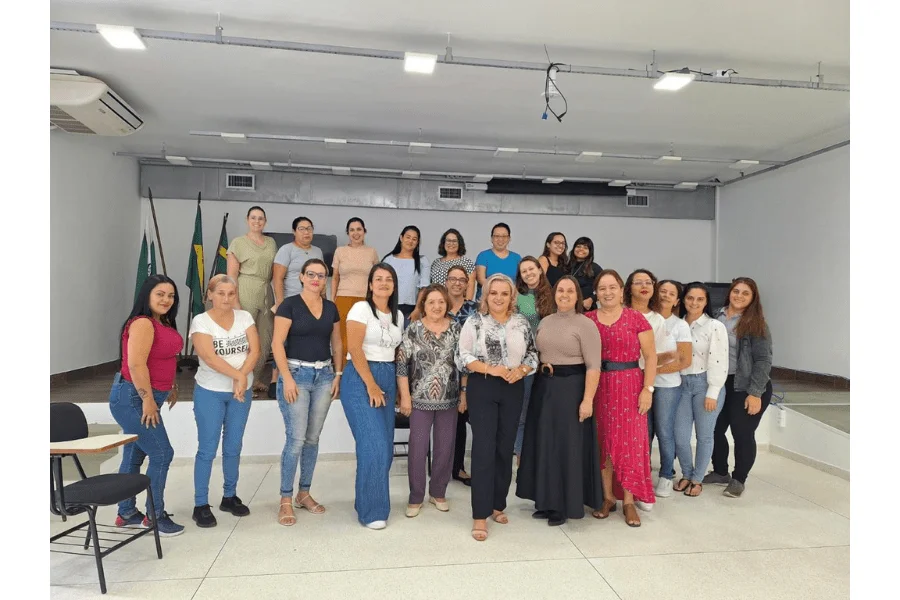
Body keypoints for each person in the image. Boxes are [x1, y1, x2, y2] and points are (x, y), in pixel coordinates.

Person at [456, 274, 538, 541]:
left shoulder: (521, 323)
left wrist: (523, 369)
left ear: (511, 296)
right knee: (483, 449)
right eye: (494, 293)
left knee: (505, 448)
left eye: (504, 293)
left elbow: (533, 353)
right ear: (486, 296)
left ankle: (496, 504)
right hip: (484, 385)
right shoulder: (475, 322)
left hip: (513, 387)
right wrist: (491, 369)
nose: (499, 298)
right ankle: (479, 515)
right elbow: (463, 356)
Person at [516, 276, 603, 526]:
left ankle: (563, 504)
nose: (564, 294)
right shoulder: (545, 321)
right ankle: (544, 500)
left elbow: (593, 366)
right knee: (543, 443)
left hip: (571, 388)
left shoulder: (585, 325)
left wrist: (587, 400)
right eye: (560, 290)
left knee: (565, 447)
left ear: (577, 296)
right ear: (554, 294)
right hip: (544, 387)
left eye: (569, 291)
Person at [108, 275, 184, 536]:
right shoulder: (142, 323)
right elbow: (136, 364)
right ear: (147, 296)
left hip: (147, 396)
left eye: (171, 295)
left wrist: (169, 385)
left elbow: (160, 358)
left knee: (135, 453)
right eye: (160, 294)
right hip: (133, 398)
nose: (166, 299)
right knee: (163, 453)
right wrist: (148, 400)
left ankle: (126, 512)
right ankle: (155, 515)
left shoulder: (160, 322)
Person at [272, 258, 342, 526]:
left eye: (321, 275)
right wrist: (286, 378)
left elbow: (336, 342)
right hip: (296, 376)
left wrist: (338, 374)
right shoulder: (289, 306)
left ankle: (304, 493)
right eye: (311, 274)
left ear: (326, 280)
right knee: (296, 439)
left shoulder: (331, 308)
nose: (316, 279)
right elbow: (277, 344)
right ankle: (285, 498)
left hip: (324, 376)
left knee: (312, 438)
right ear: (301, 277)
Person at [586, 269, 657, 528]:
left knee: (631, 446)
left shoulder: (636, 318)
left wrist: (647, 390)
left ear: (621, 290)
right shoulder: (588, 320)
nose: (607, 292)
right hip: (599, 387)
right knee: (602, 443)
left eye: (612, 287)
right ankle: (607, 498)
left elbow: (650, 357)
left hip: (630, 386)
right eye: (602, 288)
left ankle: (628, 500)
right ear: (596, 292)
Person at [189, 275, 260, 527]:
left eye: (231, 293)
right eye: (220, 293)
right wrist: (239, 376)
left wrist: (241, 380)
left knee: (233, 446)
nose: (226, 298)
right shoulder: (201, 321)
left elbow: (255, 350)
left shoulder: (245, 317)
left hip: (241, 392)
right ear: (210, 295)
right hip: (210, 391)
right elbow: (209, 357)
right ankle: (200, 503)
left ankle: (229, 496)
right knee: (207, 449)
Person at [340, 264, 404, 529]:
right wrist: (371, 385)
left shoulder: (399, 315)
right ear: (369, 284)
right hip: (361, 377)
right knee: (374, 445)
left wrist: (398, 389)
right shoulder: (360, 309)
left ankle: (364, 499)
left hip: (388, 376)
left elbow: (398, 353)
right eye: (378, 279)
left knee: (383, 448)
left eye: (388, 279)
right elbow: (354, 348)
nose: (383, 283)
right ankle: (373, 511)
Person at [397, 284, 464, 517]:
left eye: (441, 302)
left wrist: (464, 394)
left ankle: (438, 493)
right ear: (423, 305)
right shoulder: (413, 329)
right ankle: (415, 497)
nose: (436, 306)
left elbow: (464, 364)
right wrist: (405, 397)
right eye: (431, 302)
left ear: (447, 304)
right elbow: (401, 364)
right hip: (418, 400)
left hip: (449, 399)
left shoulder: (456, 328)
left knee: (445, 448)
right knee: (417, 448)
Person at [704, 277, 773, 499]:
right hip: (719, 383)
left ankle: (738, 479)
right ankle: (721, 472)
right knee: (713, 429)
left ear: (753, 298)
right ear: (729, 292)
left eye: (746, 293)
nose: (739, 296)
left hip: (746, 385)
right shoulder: (715, 316)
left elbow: (763, 360)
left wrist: (755, 393)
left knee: (742, 433)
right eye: (736, 291)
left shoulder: (756, 324)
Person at [674, 282, 728, 498]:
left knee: (704, 436)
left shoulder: (715, 326)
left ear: (706, 302)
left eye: (700, 299)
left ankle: (697, 479)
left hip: (706, 383)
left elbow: (720, 359)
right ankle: (686, 473)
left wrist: (713, 391)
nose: (694, 303)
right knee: (680, 435)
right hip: (681, 385)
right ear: (683, 299)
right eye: (690, 298)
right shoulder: (677, 324)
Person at [270, 217, 325, 397]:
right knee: (282, 341)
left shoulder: (317, 251)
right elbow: (277, 278)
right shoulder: (286, 250)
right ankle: (275, 378)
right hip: (290, 303)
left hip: (314, 303)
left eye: (309, 228)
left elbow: (320, 278)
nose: (306, 232)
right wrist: (280, 303)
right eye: (302, 229)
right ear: (294, 232)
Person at [623, 268, 671, 473]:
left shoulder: (657, 320)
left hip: (643, 381)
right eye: (638, 282)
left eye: (648, 282)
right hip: (617, 378)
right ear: (629, 288)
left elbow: (661, 354)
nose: (644, 286)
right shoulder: (618, 313)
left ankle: (641, 477)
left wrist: (646, 379)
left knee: (643, 432)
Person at [227, 206, 277, 397]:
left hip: (266, 291)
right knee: (246, 339)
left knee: (265, 338)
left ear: (265, 221)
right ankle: (242, 382)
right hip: (245, 288)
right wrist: (235, 302)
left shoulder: (271, 242)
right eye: (253, 218)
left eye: (261, 218)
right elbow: (232, 275)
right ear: (247, 220)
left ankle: (254, 378)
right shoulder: (238, 243)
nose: (257, 221)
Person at [650, 280, 693, 498]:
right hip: (643, 385)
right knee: (644, 432)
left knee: (664, 431)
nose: (666, 295)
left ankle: (666, 474)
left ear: (677, 300)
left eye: (671, 293)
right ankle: (642, 474)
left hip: (667, 387)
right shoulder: (645, 319)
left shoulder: (680, 325)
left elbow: (684, 360)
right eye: (662, 291)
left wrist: (651, 369)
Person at [513, 256, 554, 463]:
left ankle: (543, 457)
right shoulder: (518, 297)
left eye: (531, 269)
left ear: (539, 270)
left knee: (545, 411)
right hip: (526, 361)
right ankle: (521, 458)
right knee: (523, 412)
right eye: (524, 271)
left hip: (550, 360)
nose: (528, 273)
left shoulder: (554, 294)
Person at [445, 265, 479, 487]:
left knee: (476, 422)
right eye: (453, 279)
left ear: (468, 284)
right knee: (453, 424)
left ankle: (480, 468)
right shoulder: (438, 305)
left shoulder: (475, 309)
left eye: (462, 280)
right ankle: (455, 467)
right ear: (446, 282)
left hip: (473, 371)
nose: (457, 283)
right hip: (445, 372)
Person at [331, 217, 380, 358]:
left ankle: (360, 374)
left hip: (366, 300)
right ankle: (342, 374)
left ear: (364, 231)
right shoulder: (340, 251)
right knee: (343, 339)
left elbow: (376, 277)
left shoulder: (372, 252)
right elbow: (335, 277)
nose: (355, 233)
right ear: (348, 233)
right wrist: (333, 299)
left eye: (359, 229)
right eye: (352, 230)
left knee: (363, 340)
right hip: (343, 298)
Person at [383, 225, 431, 324]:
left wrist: (418, 309)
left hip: (411, 310)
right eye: (408, 237)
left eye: (414, 239)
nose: (410, 241)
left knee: (408, 338)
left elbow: (424, 288)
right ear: (401, 238)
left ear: (418, 242)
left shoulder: (422, 261)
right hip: (390, 307)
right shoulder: (389, 259)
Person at [474, 223, 522, 299]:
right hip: (486, 301)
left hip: (510, 301)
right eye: (497, 236)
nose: (500, 239)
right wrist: (499, 291)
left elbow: (520, 282)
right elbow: (481, 279)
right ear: (491, 238)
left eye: (504, 236)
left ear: (509, 238)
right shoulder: (483, 256)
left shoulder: (517, 258)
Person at [429, 228, 476, 301]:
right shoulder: (436, 263)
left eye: (454, 241)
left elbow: (470, 287)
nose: (451, 243)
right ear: (443, 243)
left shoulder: (467, 262)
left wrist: (465, 307)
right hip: (438, 304)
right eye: (448, 241)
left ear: (459, 244)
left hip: (458, 305)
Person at [568, 237, 602, 310]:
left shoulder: (595, 268)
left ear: (590, 251)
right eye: (578, 246)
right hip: (568, 308)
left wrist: (592, 299)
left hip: (587, 309)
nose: (581, 249)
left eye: (585, 247)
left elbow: (604, 287)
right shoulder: (567, 267)